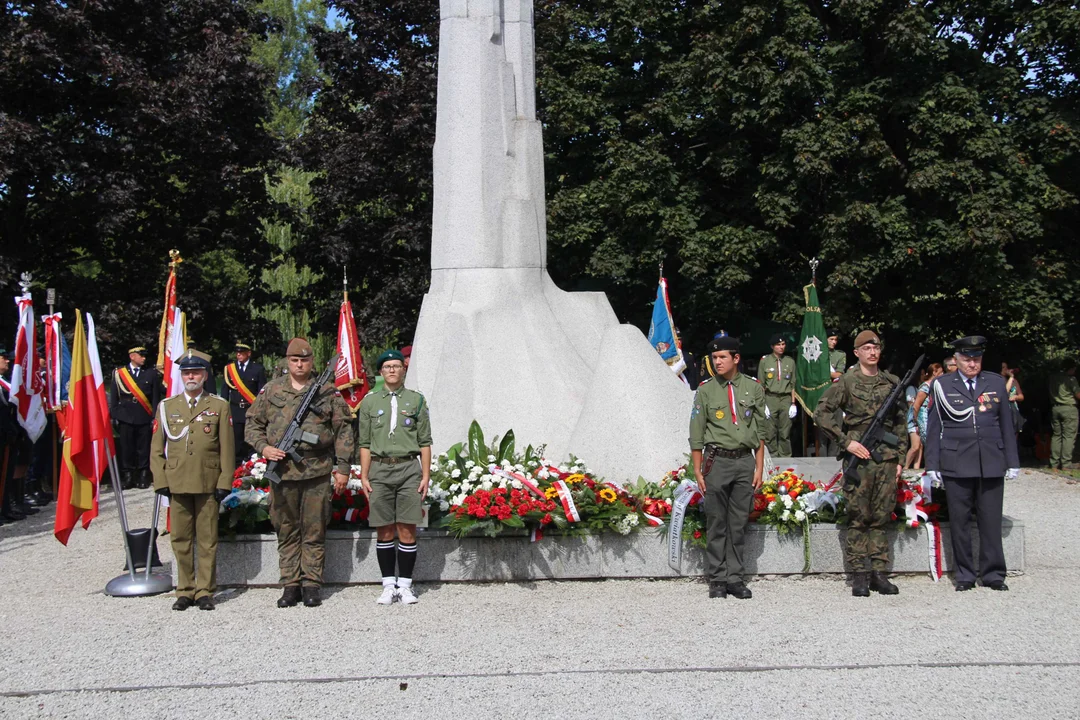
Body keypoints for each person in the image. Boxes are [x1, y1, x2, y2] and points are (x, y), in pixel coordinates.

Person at [246, 338, 354, 609]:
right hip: (283, 472)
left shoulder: (327, 392)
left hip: (316, 471)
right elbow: (252, 425)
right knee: (286, 529)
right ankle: (290, 584)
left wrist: (342, 469)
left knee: (315, 529)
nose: (299, 364)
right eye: (294, 360)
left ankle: (312, 584)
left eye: (304, 360)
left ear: (312, 361)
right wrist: (265, 448)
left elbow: (343, 432)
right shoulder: (271, 390)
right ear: (287, 361)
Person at [815, 330, 908, 597]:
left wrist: (900, 458)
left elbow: (900, 423)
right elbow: (822, 412)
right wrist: (846, 442)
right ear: (856, 352)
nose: (872, 351)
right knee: (858, 516)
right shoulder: (846, 382)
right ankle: (859, 574)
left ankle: (879, 573)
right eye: (866, 348)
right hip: (859, 457)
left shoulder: (891, 382)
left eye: (876, 347)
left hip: (886, 458)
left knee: (881, 516)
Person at [925, 336, 1018, 591]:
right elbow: (934, 427)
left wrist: (1012, 461)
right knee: (960, 520)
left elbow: (1007, 426)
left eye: (976, 359)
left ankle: (993, 574)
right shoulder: (942, 385)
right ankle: (965, 574)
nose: (972, 364)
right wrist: (932, 464)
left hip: (990, 460)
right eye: (966, 359)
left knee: (990, 520)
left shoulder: (996, 383)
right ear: (956, 360)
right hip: (956, 460)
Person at [150, 350, 234, 611]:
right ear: (181, 376)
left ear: (205, 375)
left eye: (195, 372)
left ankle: (205, 591)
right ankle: (184, 590)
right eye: (186, 373)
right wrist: (160, 480)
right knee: (180, 539)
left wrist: (225, 482)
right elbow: (155, 448)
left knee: (207, 540)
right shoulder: (167, 407)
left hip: (207, 481)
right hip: (177, 481)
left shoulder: (219, 406)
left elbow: (227, 449)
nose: (191, 377)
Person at [689, 336, 766, 599]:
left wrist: (759, 468)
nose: (717, 362)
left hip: (744, 462)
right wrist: (698, 471)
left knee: (738, 522)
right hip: (716, 462)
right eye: (714, 358)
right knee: (716, 521)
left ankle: (735, 578)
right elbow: (696, 433)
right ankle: (717, 578)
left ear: (736, 358)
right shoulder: (705, 390)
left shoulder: (753, 388)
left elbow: (760, 431)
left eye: (722, 357)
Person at [358, 349, 432, 605]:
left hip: (408, 469)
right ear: (381, 371)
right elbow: (365, 443)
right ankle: (388, 584)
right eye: (387, 366)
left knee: (407, 527)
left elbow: (425, 442)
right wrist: (364, 475)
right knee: (384, 529)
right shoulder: (369, 402)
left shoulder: (417, 400)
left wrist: (425, 475)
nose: (392, 370)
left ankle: (407, 585)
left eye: (396, 366)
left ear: (404, 370)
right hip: (379, 470)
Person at [109, 346, 162, 489]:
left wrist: (154, 416)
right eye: (141, 355)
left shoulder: (150, 373)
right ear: (132, 356)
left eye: (145, 355)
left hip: (144, 415)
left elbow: (155, 397)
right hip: (125, 415)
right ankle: (128, 475)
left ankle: (143, 474)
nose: (144, 358)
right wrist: (114, 415)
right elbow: (114, 396)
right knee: (127, 448)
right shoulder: (119, 374)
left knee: (143, 448)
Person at [222, 342, 267, 466]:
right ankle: (236, 468)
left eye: (242, 353)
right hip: (235, 410)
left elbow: (261, 392)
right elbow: (225, 392)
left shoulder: (257, 369)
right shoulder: (230, 369)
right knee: (237, 441)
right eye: (237, 353)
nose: (239, 355)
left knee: (251, 440)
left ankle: (253, 465)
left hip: (251, 409)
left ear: (248, 353)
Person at [757, 334, 797, 456]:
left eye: (783, 344)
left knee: (785, 432)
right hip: (770, 397)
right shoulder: (765, 361)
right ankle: (773, 458)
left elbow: (793, 384)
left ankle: (786, 457)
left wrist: (793, 403)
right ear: (772, 346)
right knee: (770, 432)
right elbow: (761, 384)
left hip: (785, 398)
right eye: (778, 345)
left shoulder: (789, 361)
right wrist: (763, 404)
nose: (781, 347)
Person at [1048, 361, 1080, 470]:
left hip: (1055, 408)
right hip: (1069, 408)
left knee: (1056, 436)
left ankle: (1054, 463)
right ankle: (1066, 463)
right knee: (1069, 436)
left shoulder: (1053, 378)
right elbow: (1078, 394)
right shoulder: (1071, 379)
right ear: (1070, 369)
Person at [913, 363, 944, 444]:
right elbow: (916, 406)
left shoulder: (937, 385)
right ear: (934, 372)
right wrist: (916, 423)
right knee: (931, 443)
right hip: (924, 418)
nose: (943, 374)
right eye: (941, 372)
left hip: (934, 418)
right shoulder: (926, 386)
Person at [1002, 362, 1025, 436]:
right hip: (1004, 411)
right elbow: (1004, 392)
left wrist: (1016, 397)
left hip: (1014, 411)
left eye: (1006, 367)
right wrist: (1011, 377)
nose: (1006, 369)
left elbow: (1021, 396)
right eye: (1003, 367)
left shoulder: (1014, 381)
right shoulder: (998, 380)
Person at [904, 381, 922, 470]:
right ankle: (905, 467)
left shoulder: (920, 389)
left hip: (921, 421)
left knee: (920, 446)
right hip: (913, 421)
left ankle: (916, 468)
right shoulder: (911, 388)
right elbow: (911, 404)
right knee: (915, 446)